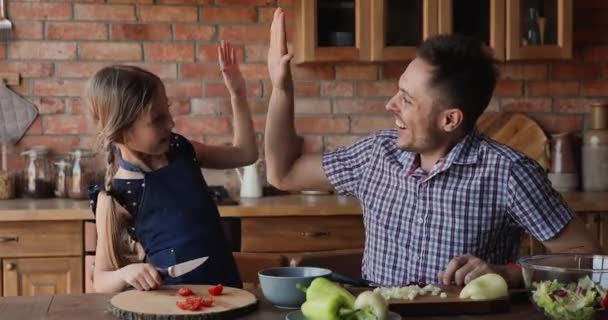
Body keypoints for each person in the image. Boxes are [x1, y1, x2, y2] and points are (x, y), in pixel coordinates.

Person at [264, 8, 602, 288]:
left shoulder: (508, 172)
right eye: (399, 92)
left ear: (450, 120)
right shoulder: (376, 154)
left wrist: (507, 274)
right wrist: (281, 88)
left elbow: (586, 258)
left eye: (407, 100)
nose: (390, 104)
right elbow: (283, 173)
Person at [87, 41, 257, 293]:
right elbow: (100, 282)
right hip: (173, 307)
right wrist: (126, 272)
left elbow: (246, 153)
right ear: (121, 132)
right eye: (157, 119)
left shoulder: (182, 151)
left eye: (167, 111)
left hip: (228, 296)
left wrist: (238, 94)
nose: (171, 123)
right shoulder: (116, 196)